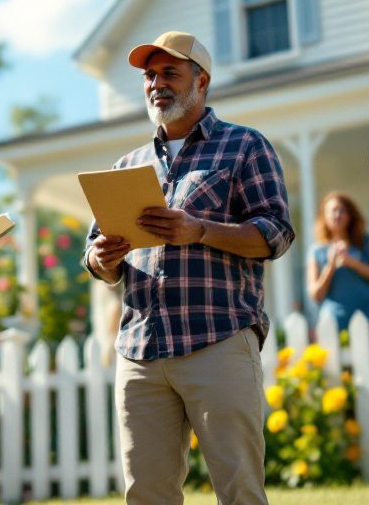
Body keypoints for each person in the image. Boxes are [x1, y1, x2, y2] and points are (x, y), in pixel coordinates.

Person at [84, 31, 293, 504]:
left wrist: (199, 229)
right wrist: (101, 259)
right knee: (146, 495)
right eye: (149, 76)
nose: (157, 83)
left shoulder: (244, 146)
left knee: (239, 489)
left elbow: (276, 234)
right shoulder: (127, 165)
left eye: (169, 73)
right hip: (141, 350)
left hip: (217, 341)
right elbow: (95, 254)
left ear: (202, 83)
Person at [306, 192, 369, 333]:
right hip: (335, 322)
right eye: (333, 210)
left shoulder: (367, 241)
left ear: (351, 215)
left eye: (342, 210)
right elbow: (316, 295)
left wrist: (354, 264)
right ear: (324, 217)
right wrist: (331, 266)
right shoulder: (316, 251)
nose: (337, 214)